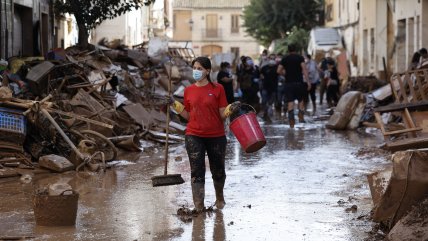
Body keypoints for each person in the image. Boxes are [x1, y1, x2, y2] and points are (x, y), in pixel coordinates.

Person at [169, 56, 239, 212]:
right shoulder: (189, 90)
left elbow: (222, 115)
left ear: (207, 71)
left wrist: (230, 109)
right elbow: (187, 116)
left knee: (218, 170)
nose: (196, 71)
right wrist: (174, 104)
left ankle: (219, 198)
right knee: (196, 171)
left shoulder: (218, 89)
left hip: (216, 135)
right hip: (194, 135)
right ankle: (199, 206)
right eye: (194, 68)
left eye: (200, 68)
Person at [277, 44, 310, 128]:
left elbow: (278, 71)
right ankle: (300, 116)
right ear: (296, 49)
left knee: (290, 103)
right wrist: (308, 82)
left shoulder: (285, 58)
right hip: (299, 83)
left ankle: (291, 124)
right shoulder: (300, 58)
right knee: (301, 101)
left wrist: (285, 74)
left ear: (288, 50)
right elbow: (304, 69)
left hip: (288, 83)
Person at [260, 54, 278, 123]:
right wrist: (262, 77)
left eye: (273, 58)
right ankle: (265, 114)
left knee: (271, 102)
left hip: (273, 88)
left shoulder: (277, 67)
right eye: (271, 58)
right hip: (265, 87)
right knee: (264, 101)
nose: (272, 60)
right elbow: (260, 73)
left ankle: (268, 114)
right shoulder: (264, 67)